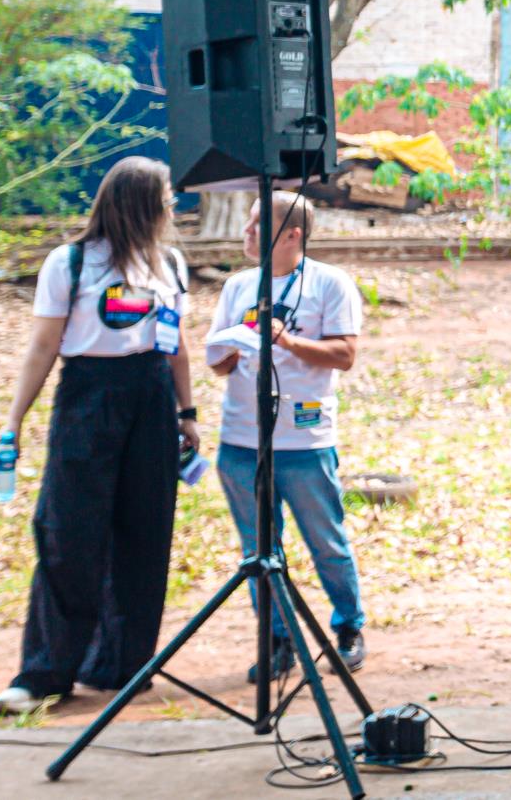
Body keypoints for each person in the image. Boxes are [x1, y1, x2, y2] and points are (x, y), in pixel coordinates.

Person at [0, 157, 199, 716]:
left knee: (144, 532)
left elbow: (174, 345)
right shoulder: (72, 262)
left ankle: (122, 665)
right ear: (139, 203)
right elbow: (42, 347)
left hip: (152, 398)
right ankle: (43, 674)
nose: (171, 208)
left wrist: (187, 412)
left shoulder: (170, 264)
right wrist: (11, 421)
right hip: (89, 395)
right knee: (68, 531)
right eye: (165, 198)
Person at [207, 191, 368, 679]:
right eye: (248, 222)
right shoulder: (237, 287)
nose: (248, 232)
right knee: (259, 549)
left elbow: (344, 354)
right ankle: (277, 640)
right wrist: (234, 348)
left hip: (305, 439)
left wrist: (286, 340)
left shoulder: (330, 284)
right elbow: (216, 360)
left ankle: (348, 628)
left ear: (292, 234)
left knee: (326, 541)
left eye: (258, 224)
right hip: (241, 440)